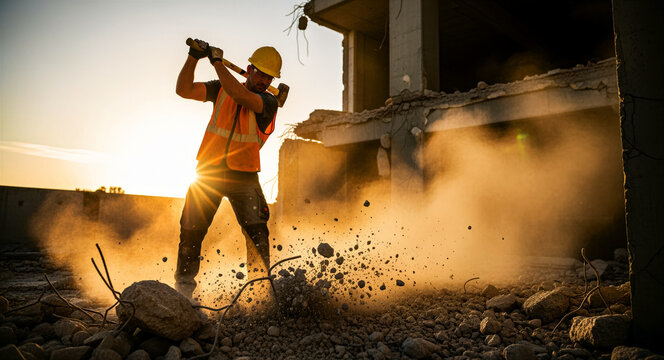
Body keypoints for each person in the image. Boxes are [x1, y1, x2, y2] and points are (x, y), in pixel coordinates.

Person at [173, 39, 282, 301]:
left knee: (257, 233)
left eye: (270, 77)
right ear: (249, 68)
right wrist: (194, 57)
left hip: (244, 175)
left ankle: (260, 292)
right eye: (260, 73)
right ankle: (183, 291)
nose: (264, 80)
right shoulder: (220, 88)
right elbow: (183, 90)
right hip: (207, 173)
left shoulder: (268, 102)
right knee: (191, 229)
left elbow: (240, 95)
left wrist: (217, 61)